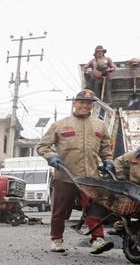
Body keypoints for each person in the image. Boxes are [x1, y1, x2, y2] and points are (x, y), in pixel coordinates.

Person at [36, 89, 115, 255]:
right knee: (60, 210)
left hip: (91, 178)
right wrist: (51, 157)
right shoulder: (60, 124)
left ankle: (97, 239)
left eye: (89, 103)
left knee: (95, 208)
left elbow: (106, 147)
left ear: (92, 106)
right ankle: (56, 239)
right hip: (65, 176)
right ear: (75, 103)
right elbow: (42, 146)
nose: (85, 106)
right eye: (82, 102)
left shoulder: (100, 125)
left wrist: (108, 160)